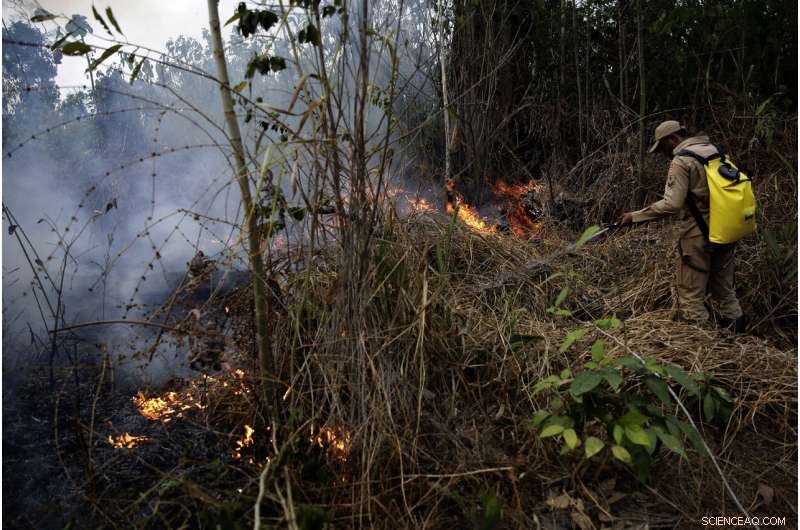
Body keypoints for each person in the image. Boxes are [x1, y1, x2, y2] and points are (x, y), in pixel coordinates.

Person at [620, 120, 745, 332]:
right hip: (727, 229)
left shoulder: (682, 161)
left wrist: (635, 216)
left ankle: (703, 348)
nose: (663, 153)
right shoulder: (716, 152)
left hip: (698, 237)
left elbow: (672, 204)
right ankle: (739, 338)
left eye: (663, 147)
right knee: (725, 291)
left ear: (672, 139)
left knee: (690, 294)